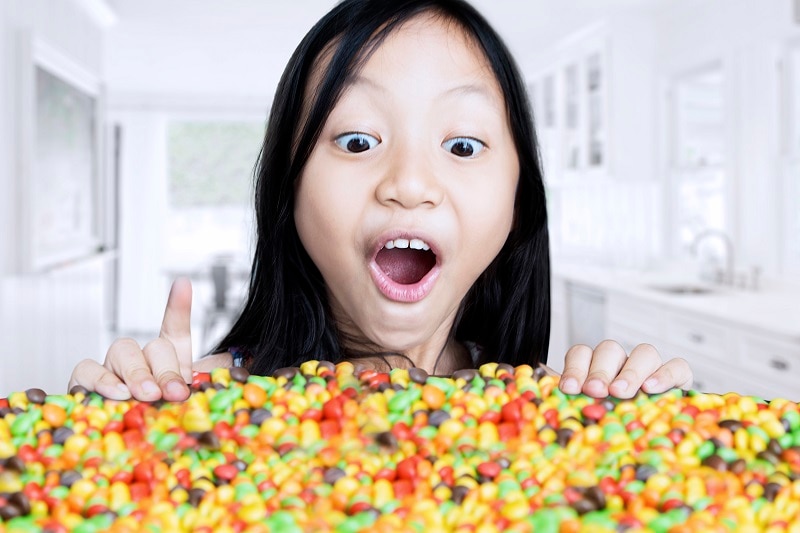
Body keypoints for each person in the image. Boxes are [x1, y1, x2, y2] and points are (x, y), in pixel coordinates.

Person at [69, 0, 692, 403]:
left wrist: (638, 429)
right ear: (289, 189)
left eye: (464, 145)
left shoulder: (552, 412)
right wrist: (124, 432)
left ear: (518, 201)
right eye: (359, 139)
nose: (410, 183)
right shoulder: (204, 397)